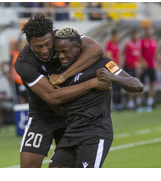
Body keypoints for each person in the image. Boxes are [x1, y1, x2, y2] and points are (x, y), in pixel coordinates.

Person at [15, 14, 107, 168]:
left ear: (53, 34)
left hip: (71, 114)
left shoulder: (62, 37)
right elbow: (52, 97)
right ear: (29, 42)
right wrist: (91, 83)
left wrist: (64, 76)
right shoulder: (24, 63)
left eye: (48, 44)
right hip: (42, 115)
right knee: (28, 167)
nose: (45, 50)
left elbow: (96, 49)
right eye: (38, 46)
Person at [49, 26, 143, 168]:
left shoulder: (103, 63)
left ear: (78, 47)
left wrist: (112, 77)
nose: (61, 56)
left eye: (65, 52)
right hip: (69, 134)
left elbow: (137, 85)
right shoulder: (59, 70)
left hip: (94, 134)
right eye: (58, 52)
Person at [138, 26, 159, 112]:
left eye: (151, 31)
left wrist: (157, 63)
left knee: (152, 85)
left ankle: (149, 103)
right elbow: (138, 53)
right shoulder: (142, 41)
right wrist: (142, 62)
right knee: (140, 85)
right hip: (144, 67)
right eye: (148, 31)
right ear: (146, 32)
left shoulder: (154, 42)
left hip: (151, 67)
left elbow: (155, 54)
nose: (149, 32)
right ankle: (139, 104)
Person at [105, 29, 123, 111]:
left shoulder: (117, 44)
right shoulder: (109, 44)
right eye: (117, 36)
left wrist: (119, 66)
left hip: (117, 68)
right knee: (113, 87)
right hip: (112, 68)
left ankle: (119, 104)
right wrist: (114, 68)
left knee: (118, 86)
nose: (118, 37)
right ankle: (113, 105)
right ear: (113, 36)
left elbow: (119, 55)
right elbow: (109, 57)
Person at [123, 29, 142, 109]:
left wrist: (139, 65)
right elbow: (127, 57)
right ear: (132, 35)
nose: (136, 36)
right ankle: (130, 102)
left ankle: (138, 102)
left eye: (137, 35)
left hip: (136, 68)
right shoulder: (128, 44)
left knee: (138, 84)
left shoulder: (138, 44)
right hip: (129, 67)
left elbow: (139, 56)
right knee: (130, 85)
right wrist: (133, 63)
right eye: (135, 35)